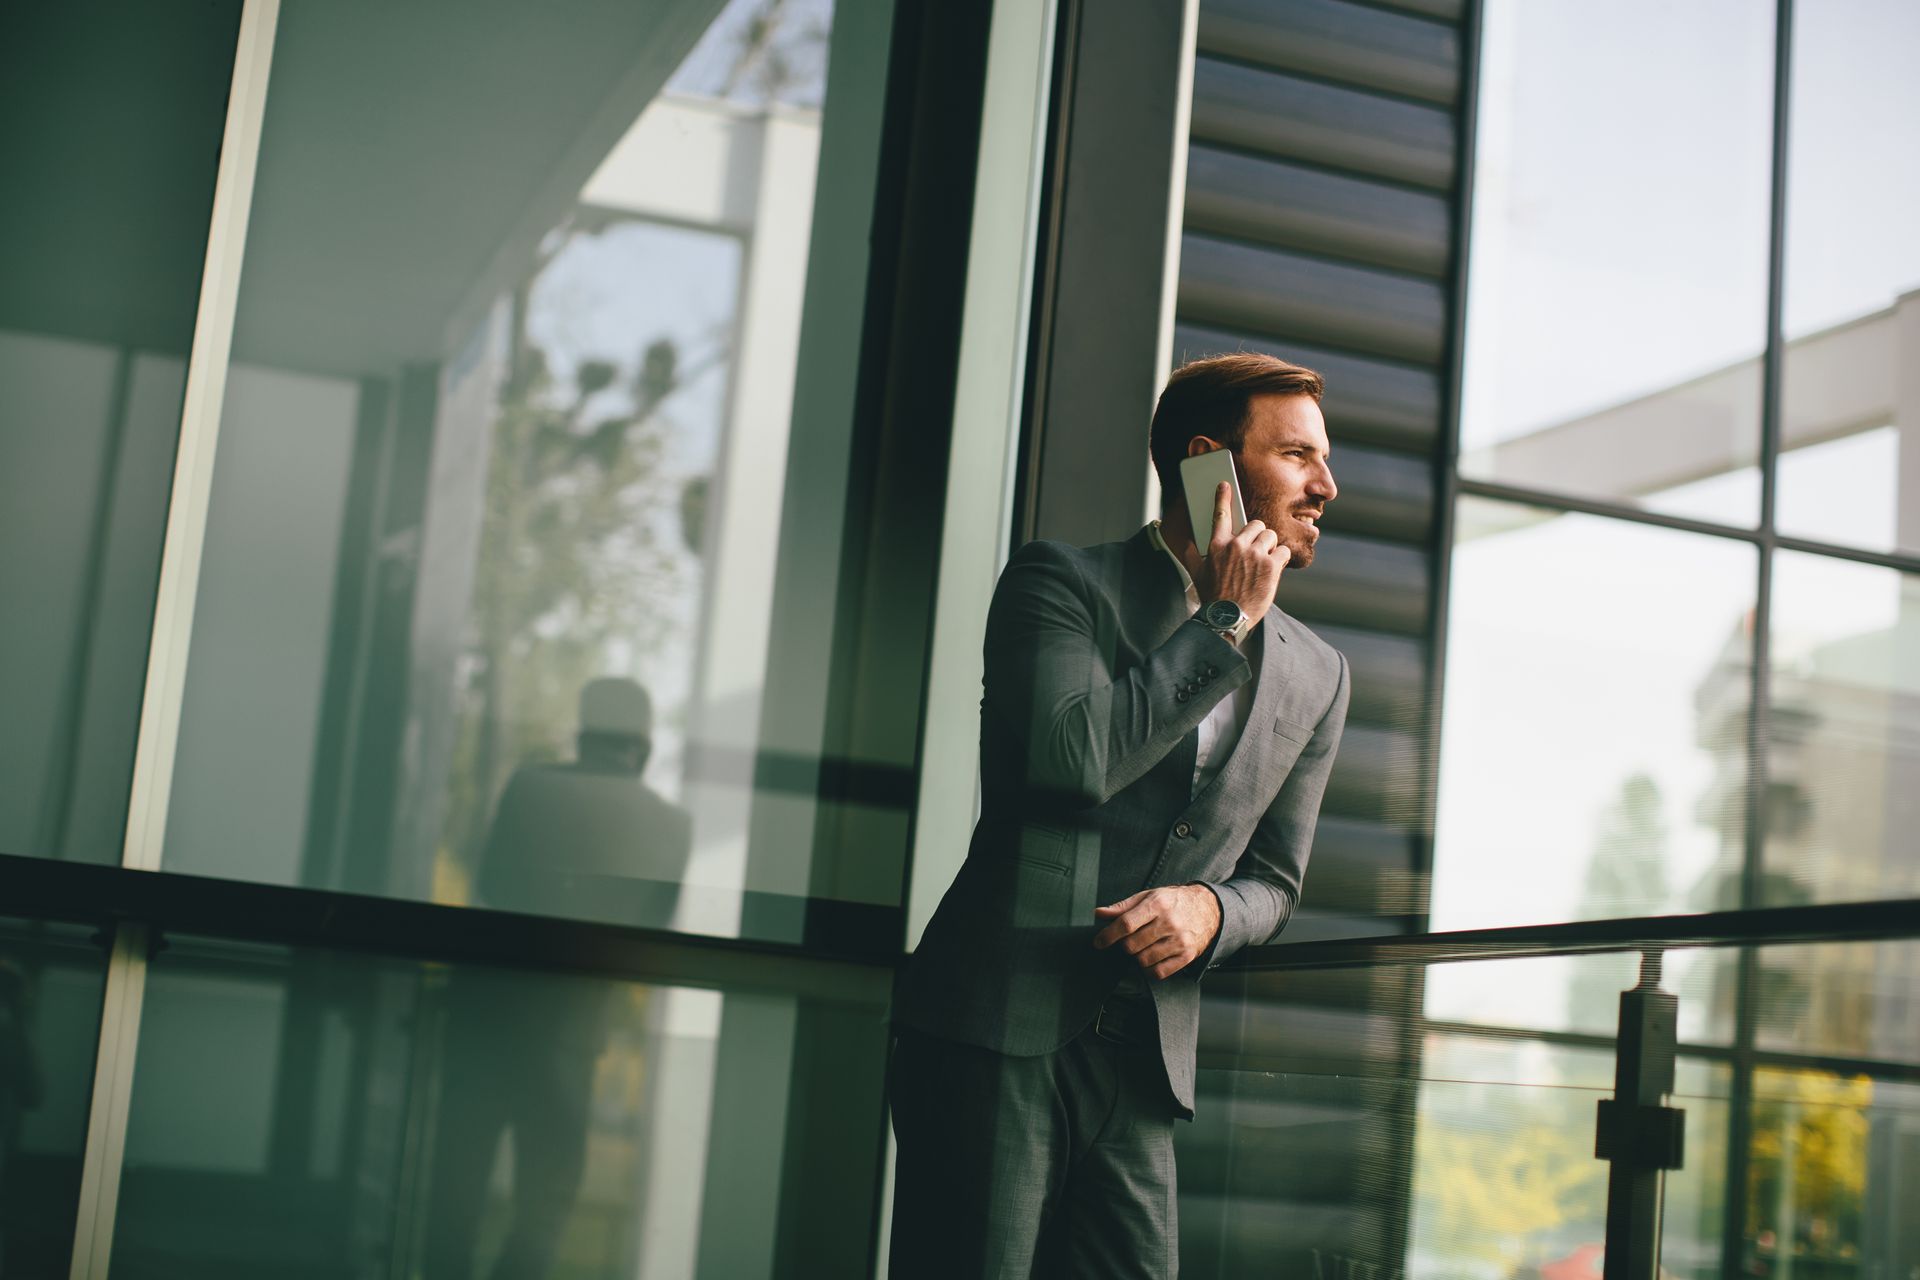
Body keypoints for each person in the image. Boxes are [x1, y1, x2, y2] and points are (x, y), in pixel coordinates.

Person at [889, 353, 1350, 1277]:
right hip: (994, 1032)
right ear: (1208, 461)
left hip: (1145, 1066)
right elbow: (1073, 761)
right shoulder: (1060, 586)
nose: (1326, 488)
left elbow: (1274, 883)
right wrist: (1221, 620)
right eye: (1298, 456)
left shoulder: (1317, 672)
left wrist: (1211, 912)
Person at [424, 677, 692, 1280]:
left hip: (486, 1018)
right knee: (543, 1209)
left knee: (455, 1191)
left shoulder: (530, 788)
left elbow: (492, 883)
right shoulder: (672, 826)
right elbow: (651, 929)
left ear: (582, 734)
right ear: (644, 747)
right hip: (573, 1033)